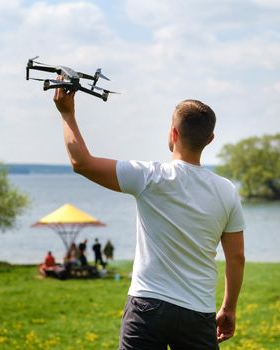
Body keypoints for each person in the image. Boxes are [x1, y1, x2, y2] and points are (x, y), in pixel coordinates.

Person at [53, 81, 245, 349]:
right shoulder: (227, 191)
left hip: (146, 307)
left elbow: (81, 163)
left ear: (173, 133)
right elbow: (236, 257)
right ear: (210, 139)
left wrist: (67, 114)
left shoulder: (149, 177)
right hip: (198, 313)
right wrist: (228, 308)